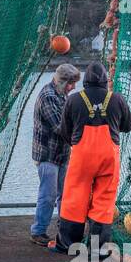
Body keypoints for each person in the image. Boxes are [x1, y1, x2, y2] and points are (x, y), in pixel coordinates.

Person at [56, 61, 131, 251]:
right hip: (108, 156)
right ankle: (98, 248)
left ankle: (68, 245)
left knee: (75, 197)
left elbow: (64, 132)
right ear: (106, 80)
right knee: (104, 200)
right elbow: (127, 126)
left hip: (82, 156)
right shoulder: (117, 99)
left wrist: (77, 143)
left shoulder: (73, 99)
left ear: (86, 81)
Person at [30, 63, 81, 245]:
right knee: (48, 195)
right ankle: (38, 232)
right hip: (47, 155)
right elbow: (60, 127)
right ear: (62, 81)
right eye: (71, 83)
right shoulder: (48, 96)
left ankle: (64, 229)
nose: (73, 87)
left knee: (65, 194)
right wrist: (84, 135)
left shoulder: (62, 95)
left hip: (62, 155)